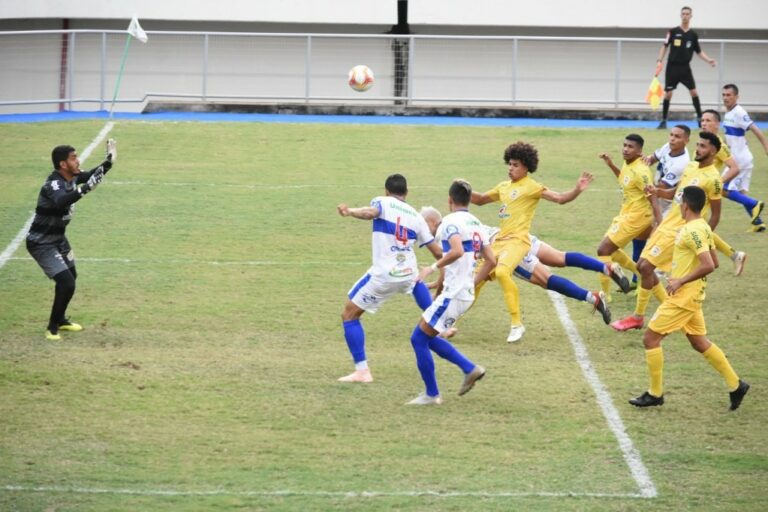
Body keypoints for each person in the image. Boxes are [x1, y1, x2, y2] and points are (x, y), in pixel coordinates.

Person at [629, 186, 749, 410]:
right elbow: (715, 260)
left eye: (680, 202)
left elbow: (709, 264)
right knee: (699, 342)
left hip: (684, 297)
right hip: (694, 296)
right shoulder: (702, 226)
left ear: (685, 205)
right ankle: (736, 384)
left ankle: (655, 394)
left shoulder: (690, 231)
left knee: (650, 339)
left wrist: (680, 280)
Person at [470, 141, 594, 342]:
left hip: (518, 241)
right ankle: (447, 322)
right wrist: (463, 190)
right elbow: (481, 199)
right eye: (509, 164)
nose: (511, 168)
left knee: (502, 271)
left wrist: (577, 190)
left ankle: (516, 324)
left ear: (526, 166)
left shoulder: (532, 187)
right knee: (476, 281)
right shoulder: (503, 187)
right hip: (499, 241)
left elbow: (560, 198)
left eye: (515, 165)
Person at [420, 208, 622, 328]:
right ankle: (607, 268)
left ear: (431, 221)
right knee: (560, 257)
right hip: (514, 235)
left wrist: (439, 301)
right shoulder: (461, 219)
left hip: (504, 249)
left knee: (546, 280)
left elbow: (453, 267)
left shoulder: (444, 232)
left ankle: (592, 298)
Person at [611, 132, 723, 332]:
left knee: (646, 268)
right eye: (697, 145)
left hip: (679, 231)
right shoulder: (690, 167)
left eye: (703, 146)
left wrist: (702, 239)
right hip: (665, 225)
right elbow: (677, 193)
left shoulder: (714, 179)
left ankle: (638, 317)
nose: (697, 149)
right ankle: (666, 307)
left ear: (713, 151)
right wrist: (659, 192)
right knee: (642, 265)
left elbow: (715, 215)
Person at [336, 173, 442, 383]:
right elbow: (438, 253)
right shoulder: (416, 216)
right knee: (415, 280)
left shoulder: (383, 202)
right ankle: (436, 319)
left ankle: (362, 371)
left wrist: (350, 212)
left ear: (386, 191)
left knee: (349, 314)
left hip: (385, 274)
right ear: (406, 193)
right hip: (408, 273)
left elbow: (370, 212)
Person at [406, 179, 495, 405]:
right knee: (427, 336)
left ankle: (431, 394)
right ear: (469, 200)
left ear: (449, 200)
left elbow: (455, 251)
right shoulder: (476, 223)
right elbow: (492, 260)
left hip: (454, 294)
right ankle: (469, 368)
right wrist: (471, 282)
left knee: (418, 339)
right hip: (463, 294)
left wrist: (431, 268)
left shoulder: (449, 223)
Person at [27, 140, 116, 340]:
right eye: (74, 158)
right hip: (41, 243)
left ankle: (60, 320)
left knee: (70, 277)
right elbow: (60, 200)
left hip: (58, 239)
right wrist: (84, 190)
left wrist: (108, 162)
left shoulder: (72, 177)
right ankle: (52, 328)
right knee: (67, 284)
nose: (78, 161)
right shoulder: (54, 183)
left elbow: (91, 175)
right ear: (62, 164)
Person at [596, 135, 655, 301]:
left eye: (630, 147)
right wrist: (611, 165)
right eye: (624, 145)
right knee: (610, 250)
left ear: (639, 151)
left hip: (637, 217)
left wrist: (658, 222)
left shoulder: (642, 171)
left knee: (603, 250)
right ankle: (639, 274)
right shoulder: (627, 163)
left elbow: (652, 196)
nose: (626, 149)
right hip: (627, 213)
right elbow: (625, 179)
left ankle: (605, 296)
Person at [699, 109, 750, 274]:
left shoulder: (717, 145)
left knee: (696, 228)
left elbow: (735, 168)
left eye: (708, 120)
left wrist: (717, 183)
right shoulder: (702, 142)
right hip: (697, 189)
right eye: (702, 120)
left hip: (705, 193)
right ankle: (735, 256)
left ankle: (662, 268)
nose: (704, 123)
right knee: (699, 228)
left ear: (717, 124)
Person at [655, 6, 717, 130]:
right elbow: (664, 46)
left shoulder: (693, 35)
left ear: (691, 16)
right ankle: (663, 121)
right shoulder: (672, 31)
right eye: (683, 14)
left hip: (685, 68)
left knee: (694, 92)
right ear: (680, 15)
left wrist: (709, 60)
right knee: (668, 94)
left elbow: (699, 52)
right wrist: (659, 60)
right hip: (672, 67)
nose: (685, 16)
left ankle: (700, 119)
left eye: (687, 14)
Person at [721, 84, 768, 232]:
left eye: (729, 95)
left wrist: (766, 147)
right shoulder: (728, 113)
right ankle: (758, 223)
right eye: (724, 95)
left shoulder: (739, 112)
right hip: (743, 157)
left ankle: (755, 204)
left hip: (739, 160)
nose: (725, 98)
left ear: (736, 97)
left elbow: (755, 129)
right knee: (741, 193)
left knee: (722, 188)